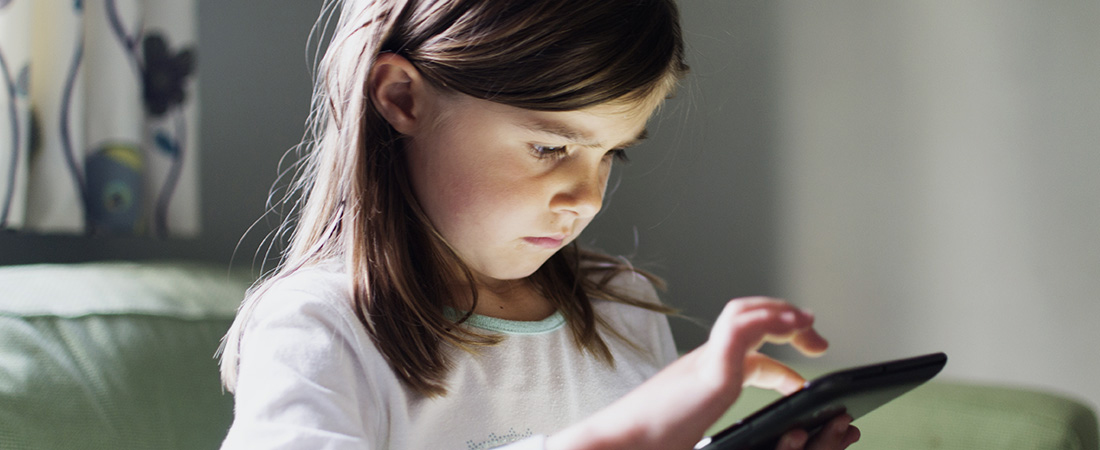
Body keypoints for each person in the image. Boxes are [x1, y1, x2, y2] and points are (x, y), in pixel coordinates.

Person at [218, 0, 861, 449]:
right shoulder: (320, 328)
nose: (586, 198)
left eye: (613, 153)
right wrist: (625, 435)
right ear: (402, 98)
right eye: (551, 148)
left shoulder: (626, 312)